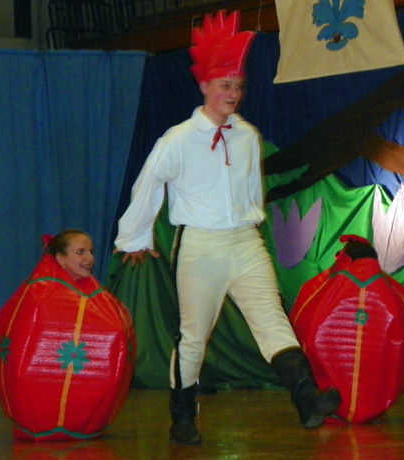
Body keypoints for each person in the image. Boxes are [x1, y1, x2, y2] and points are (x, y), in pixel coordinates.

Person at [114, 10, 341, 445]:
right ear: (204, 86)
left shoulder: (248, 135)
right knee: (194, 337)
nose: (232, 93)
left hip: (245, 242)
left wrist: (248, 228)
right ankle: (182, 418)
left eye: (238, 86)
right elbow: (148, 186)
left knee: (273, 321)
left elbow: (251, 193)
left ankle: (307, 399)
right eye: (225, 86)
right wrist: (135, 237)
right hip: (200, 246)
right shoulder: (177, 139)